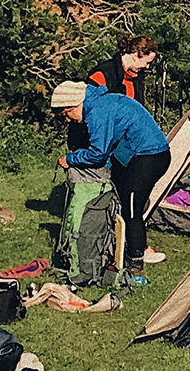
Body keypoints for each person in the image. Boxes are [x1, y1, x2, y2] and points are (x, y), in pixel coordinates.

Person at [51, 79, 169, 266]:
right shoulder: (99, 104)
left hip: (150, 156)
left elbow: (98, 153)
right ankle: (123, 245)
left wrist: (70, 159)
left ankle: (137, 256)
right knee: (122, 198)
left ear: (75, 105)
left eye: (66, 114)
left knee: (131, 206)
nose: (68, 120)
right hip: (137, 156)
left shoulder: (97, 111)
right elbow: (107, 147)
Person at [86, 36, 158, 104]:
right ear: (135, 55)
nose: (147, 67)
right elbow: (88, 105)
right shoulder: (102, 74)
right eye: (147, 62)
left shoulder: (136, 79)